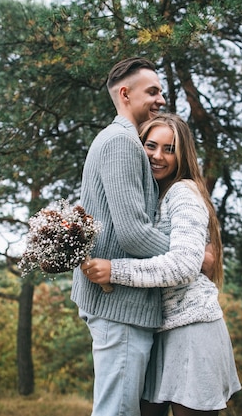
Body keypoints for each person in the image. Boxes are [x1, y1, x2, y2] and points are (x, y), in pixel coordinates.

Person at [83, 113, 242, 416]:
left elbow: (183, 265)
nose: (158, 156)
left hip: (193, 330)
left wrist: (115, 270)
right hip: (156, 331)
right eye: (151, 145)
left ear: (182, 156)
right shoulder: (150, 195)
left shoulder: (183, 192)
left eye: (169, 149)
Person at [70, 57, 171, 416]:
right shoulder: (122, 143)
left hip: (121, 304)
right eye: (153, 91)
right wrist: (187, 256)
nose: (161, 99)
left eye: (161, 91)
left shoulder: (121, 140)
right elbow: (134, 234)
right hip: (120, 308)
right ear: (125, 94)